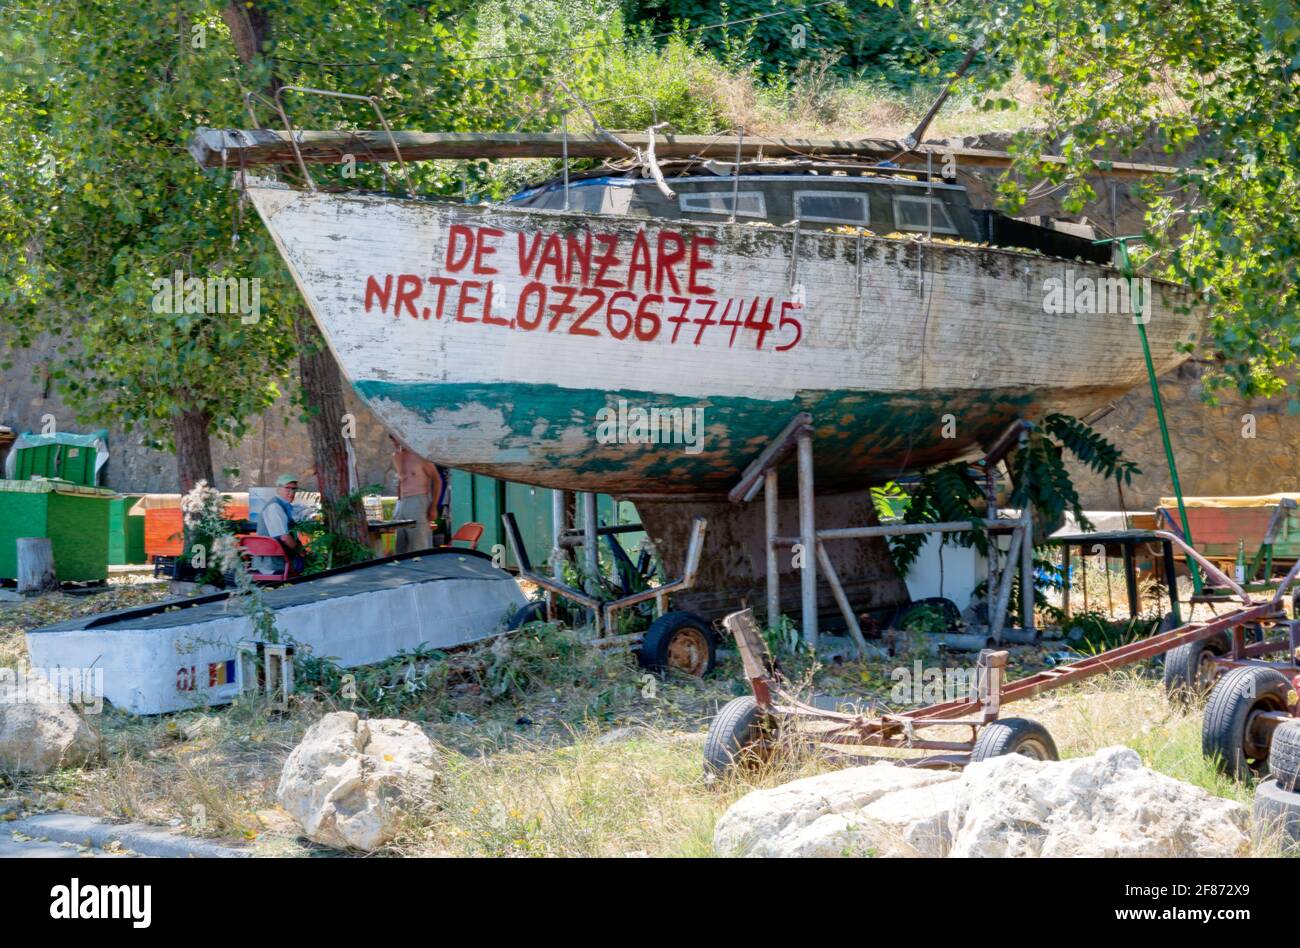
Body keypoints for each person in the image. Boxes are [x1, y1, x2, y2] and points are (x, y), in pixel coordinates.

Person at [392, 436, 444, 554]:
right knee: (400, 546)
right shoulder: (397, 457)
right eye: (392, 439)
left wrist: (434, 506)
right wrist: (398, 503)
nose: (394, 442)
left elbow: (437, 480)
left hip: (418, 500)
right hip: (403, 502)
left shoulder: (420, 457)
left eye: (396, 439)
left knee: (418, 545)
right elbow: (401, 480)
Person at [254, 474, 308, 575]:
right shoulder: (275, 507)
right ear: (278, 488)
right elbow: (284, 537)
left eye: (294, 489)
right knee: (311, 563)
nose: (291, 493)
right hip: (273, 565)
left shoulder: (283, 505)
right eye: (288, 488)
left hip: (276, 561)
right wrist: (300, 551)